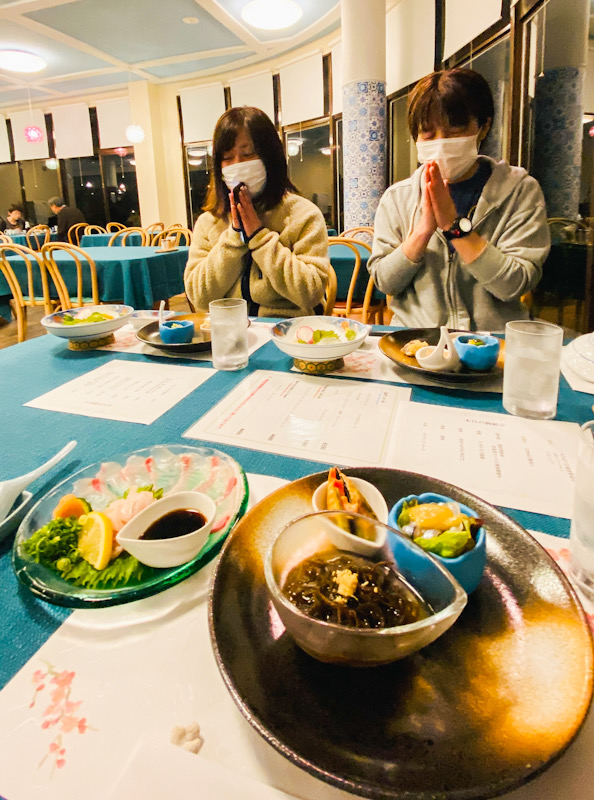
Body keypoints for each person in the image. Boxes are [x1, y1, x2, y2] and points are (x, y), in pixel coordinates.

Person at [368, 68, 551, 332]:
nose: (441, 143)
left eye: (455, 129)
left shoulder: (519, 191)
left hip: (491, 346)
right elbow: (385, 282)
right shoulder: (397, 198)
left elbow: (513, 285)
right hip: (416, 343)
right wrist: (422, 232)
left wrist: (455, 227)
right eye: (428, 134)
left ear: (483, 126)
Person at [184, 106, 330, 318]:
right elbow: (199, 296)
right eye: (227, 156)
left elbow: (311, 293)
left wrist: (259, 237)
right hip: (230, 331)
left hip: (286, 331)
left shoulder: (303, 215)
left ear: (270, 156)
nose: (238, 164)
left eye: (248, 153)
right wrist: (235, 235)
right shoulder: (209, 222)